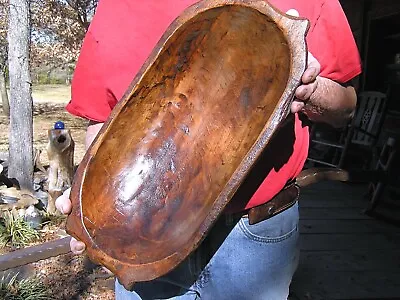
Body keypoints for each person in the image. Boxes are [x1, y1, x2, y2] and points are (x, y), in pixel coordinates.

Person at [56, 0, 362, 299]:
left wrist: (309, 88)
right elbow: (102, 116)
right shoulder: (119, 5)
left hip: (254, 239)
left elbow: (345, 108)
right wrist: (93, 219)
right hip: (145, 237)